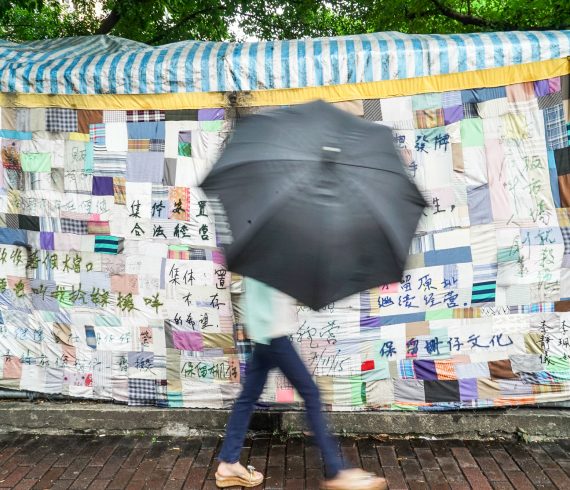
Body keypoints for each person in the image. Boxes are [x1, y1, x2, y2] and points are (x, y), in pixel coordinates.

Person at [215, 277, 387, 490]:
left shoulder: (264, 251)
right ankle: (337, 471)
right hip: (274, 335)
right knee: (311, 395)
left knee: (247, 398)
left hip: (266, 334)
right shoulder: (271, 250)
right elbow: (270, 294)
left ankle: (227, 463)